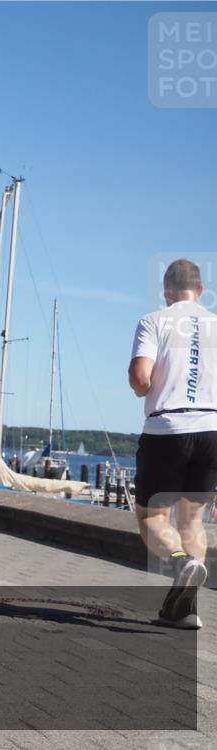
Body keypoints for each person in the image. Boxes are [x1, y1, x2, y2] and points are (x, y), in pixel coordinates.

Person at [129, 258, 214, 629]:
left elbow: (140, 378)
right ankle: (184, 611)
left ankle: (181, 563)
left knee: (152, 517)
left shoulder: (154, 321)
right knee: (193, 520)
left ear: (167, 290)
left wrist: (142, 386)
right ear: (200, 290)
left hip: (167, 428)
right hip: (213, 428)